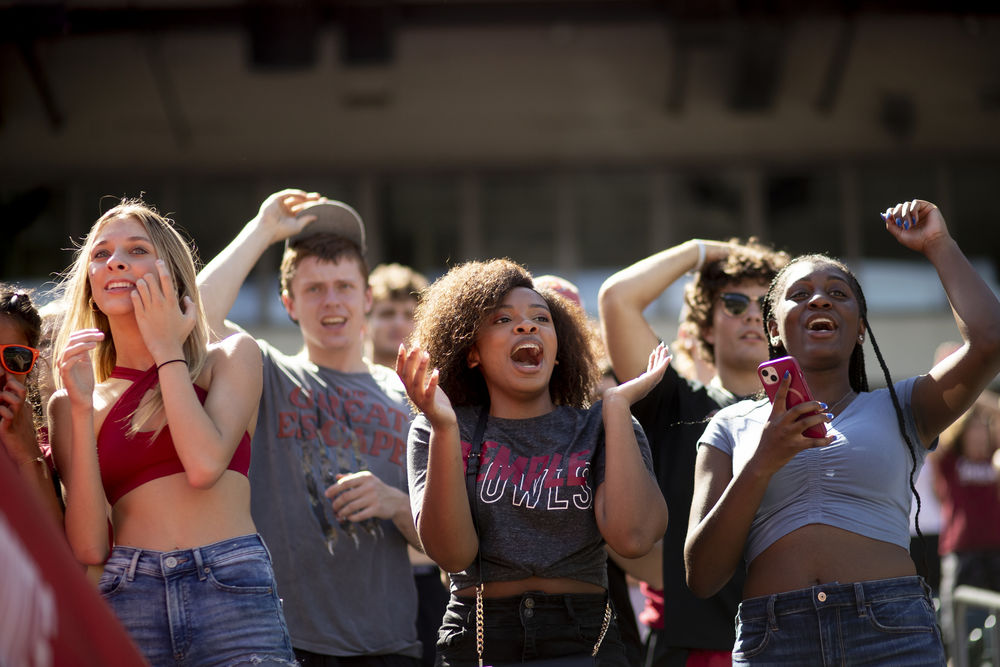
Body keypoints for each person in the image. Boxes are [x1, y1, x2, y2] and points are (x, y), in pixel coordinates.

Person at [684, 199, 1000, 665]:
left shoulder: (904, 405)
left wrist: (937, 243)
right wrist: (762, 460)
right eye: (800, 294)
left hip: (892, 630)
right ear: (772, 327)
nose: (819, 299)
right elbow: (703, 575)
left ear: (859, 329)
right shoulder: (729, 426)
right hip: (775, 640)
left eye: (838, 292)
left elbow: (989, 339)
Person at [48, 199, 296, 665]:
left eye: (136, 249)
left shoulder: (231, 357)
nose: (115, 260)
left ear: (174, 272)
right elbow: (89, 546)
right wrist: (80, 410)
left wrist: (166, 349)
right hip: (129, 590)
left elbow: (204, 465)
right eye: (100, 254)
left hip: (230, 582)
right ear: (90, 283)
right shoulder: (73, 400)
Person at [396, 258, 669, 665]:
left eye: (540, 318)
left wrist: (614, 406)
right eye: (503, 319)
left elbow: (633, 537)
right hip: (480, 634)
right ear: (472, 352)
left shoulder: (603, 423)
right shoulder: (442, 427)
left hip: (585, 635)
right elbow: (453, 555)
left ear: (558, 350)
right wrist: (444, 428)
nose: (527, 326)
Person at [197, 189, 422, 666]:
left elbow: (452, 544)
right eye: (314, 289)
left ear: (366, 298)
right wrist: (261, 230)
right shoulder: (266, 371)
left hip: (390, 645)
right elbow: (192, 320)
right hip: (282, 640)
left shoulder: (411, 397)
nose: (331, 301)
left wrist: (397, 504)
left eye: (343, 286)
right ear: (288, 303)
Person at [598, 237, 788, 667]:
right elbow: (617, 297)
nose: (753, 315)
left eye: (767, 304)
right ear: (705, 325)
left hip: (800, 643)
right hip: (698, 651)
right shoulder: (675, 404)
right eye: (735, 303)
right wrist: (702, 250)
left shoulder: (815, 411)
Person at [931, 390, 1000, 660]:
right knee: (957, 622)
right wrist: (957, 390)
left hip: (995, 551)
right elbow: (940, 431)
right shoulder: (950, 462)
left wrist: (975, 384)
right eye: (972, 429)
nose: (978, 435)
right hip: (961, 553)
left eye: (982, 429)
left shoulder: (994, 459)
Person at [0, 285, 63, 525]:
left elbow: (55, 547)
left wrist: (28, 454)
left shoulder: (53, 457)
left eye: (15, 357)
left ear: (32, 366)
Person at [367, 263, 428, 369]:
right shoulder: (344, 380)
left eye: (409, 315)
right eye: (388, 314)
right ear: (365, 320)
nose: (398, 324)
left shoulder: (435, 383)